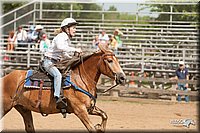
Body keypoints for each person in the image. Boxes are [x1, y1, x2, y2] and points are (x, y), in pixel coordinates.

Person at [42, 18, 82, 109]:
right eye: (73, 28)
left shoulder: (66, 38)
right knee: (58, 75)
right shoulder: (61, 36)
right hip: (48, 62)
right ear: (66, 28)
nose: (75, 30)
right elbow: (61, 47)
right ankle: (57, 97)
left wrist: (73, 58)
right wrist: (75, 49)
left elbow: (64, 53)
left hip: (54, 62)